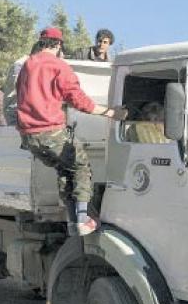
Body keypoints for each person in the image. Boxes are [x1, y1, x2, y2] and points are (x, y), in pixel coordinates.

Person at [16, 27, 127, 236]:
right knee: (81, 165)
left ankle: (73, 220)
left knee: (65, 170)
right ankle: (83, 219)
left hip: (29, 135)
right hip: (50, 131)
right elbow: (79, 101)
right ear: (58, 45)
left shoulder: (27, 65)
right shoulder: (59, 66)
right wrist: (111, 112)